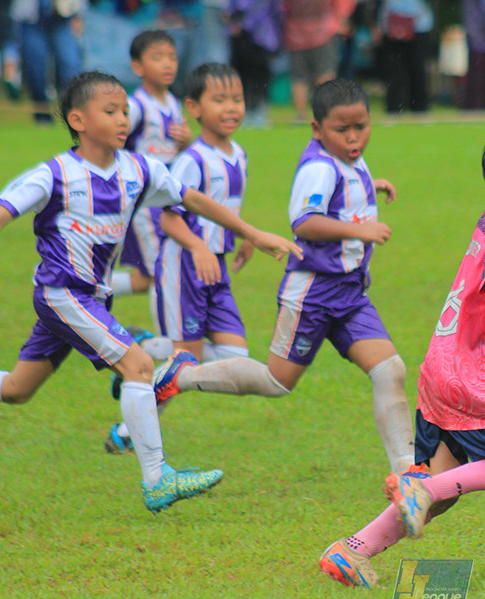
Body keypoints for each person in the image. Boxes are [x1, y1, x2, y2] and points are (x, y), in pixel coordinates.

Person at [0, 71, 302, 514]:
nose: (124, 119)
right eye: (111, 111)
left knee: (16, 389)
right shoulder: (56, 174)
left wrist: (253, 232)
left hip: (92, 298)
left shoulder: (139, 169)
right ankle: (157, 478)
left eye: (125, 110)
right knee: (139, 365)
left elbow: (194, 200)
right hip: (63, 294)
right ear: (78, 120)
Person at [318, 123, 485, 588]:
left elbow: (477, 307)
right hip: (466, 379)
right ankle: (419, 487)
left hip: (441, 369)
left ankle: (352, 550)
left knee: (445, 489)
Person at [147, 79, 416, 476]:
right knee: (277, 381)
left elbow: (341, 195)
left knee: (390, 369)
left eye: (361, 126)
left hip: (350, 292)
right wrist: (360, 230)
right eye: (342, 130)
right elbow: (305, 222)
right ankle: (182, 375)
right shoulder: (319, 167)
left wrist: (369, 186)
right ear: (316, 130)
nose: (354, 137)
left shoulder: (350, 160)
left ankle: (407, 475)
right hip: (313, 292)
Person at [105, 62, 259, 453]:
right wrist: (199, 245)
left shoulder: (239, 153)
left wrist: (243, 237)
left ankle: (147, 346)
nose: (231, 108)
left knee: (235, 355)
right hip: (184, 269)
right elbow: (169, 218)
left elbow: (227, 207)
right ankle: (125, 432)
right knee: (186, 363)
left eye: (237, 99)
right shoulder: (193, 159)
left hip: (216, 267)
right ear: (194, 107)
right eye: (219, 99)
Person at [108, 30, 192, 348]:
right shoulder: (136, 105)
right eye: (157, 57)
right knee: (162, 272)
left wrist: (186, 143)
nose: (167, 64)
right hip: (144, 204)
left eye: (171, 56)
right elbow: (113, 139)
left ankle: (82, 286)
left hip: (167, 201)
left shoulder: (172, 102)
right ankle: (166, 341)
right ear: (138, 66)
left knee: (147, 277)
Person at [10, 0, 83, 124]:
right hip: (32, 21)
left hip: (64, 19)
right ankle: (42, 117)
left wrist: (79, 14)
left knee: (70, 67)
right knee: (36, 71)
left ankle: (74, 115)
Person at [283, 0, 356, 121]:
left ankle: (301, 115)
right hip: (324, 31)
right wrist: (342, 19)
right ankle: (326, 113)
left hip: (295, 34)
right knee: (325, 73)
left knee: (299, 77)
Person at [228, 0, 282, 128]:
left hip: (264, 37)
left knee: (261, 76)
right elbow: (231, 9)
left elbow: (277, 11)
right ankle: (243, 111)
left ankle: (260, 111)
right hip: (242, 36)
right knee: (242, 76)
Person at [374, 0, 433, 114]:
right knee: (394, 71)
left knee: (417, 69)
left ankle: (419, 108)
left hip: (419, 25)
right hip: (391, 26)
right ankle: (394, 107)